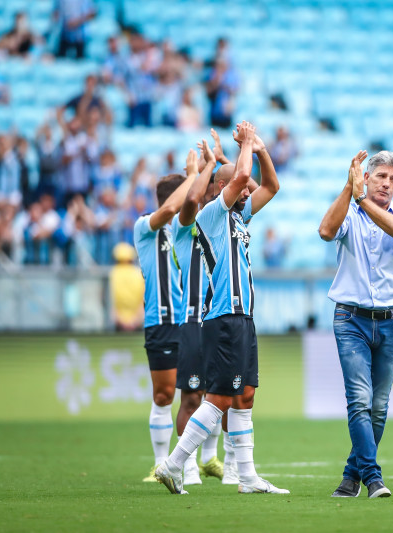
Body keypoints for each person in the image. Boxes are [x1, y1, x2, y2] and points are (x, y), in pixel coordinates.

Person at [154, 121, 285, 495]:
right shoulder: (212, 215)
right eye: (242, 186)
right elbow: (241, 174)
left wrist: (259, 148)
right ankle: (174, 464)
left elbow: (271, 186)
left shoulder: (240, 217)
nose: (249, 188)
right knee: (220, 398)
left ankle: (246, 477)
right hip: (224, 316)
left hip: (244, 317)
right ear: (225, 188)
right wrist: (244, 145)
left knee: (245, 397)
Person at [318, 150, 393, 499]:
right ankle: (373, 478)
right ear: (366, 178)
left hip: (392, 320)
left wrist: (361, 199)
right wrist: (350, 191)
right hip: (351, 319)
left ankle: (351, 476)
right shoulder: (348, 209)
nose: (388, 184)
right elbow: (325, 231)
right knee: (359, 400)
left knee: (378, 405)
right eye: (381, 177)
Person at [169, 132, 232, 486]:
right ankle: (187, 466)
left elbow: (248, 185)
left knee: (224, 396)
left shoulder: (223, 223)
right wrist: (206, 167)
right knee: (191, 397)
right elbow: (193, 197)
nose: (211, 193)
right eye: (209, 188)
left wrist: (222, 159)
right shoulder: (186, 225)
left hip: (221, 320)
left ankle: (219, 461)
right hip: (193, 320)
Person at [133, 151, 196, 481]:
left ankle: (193, 462)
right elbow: (171, 209)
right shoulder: (145, 227)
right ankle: (160, 464)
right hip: (160, 321)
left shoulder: (186, 231)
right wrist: (194, 176)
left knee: (196, 392)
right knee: (164, 394)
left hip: (189, 321)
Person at [108, 242, 144, 331]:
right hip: (136, 323)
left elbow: (107, 301)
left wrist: (119, 320)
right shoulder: (139, 274)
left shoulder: (111, 274)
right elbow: (143, 300)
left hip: (116, 324)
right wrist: (135, 321)